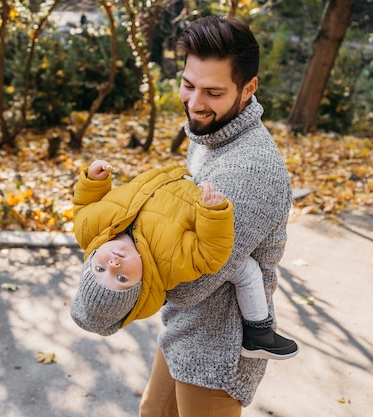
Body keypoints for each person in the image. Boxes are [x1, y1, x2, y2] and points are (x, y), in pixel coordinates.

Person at [70, 16, 296, 416]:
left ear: (249, 88)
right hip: (185, 330)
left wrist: (125, 255)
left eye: (213, 92)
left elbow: (193, 285)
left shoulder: (248, 170)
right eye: (189, 86)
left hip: (218, 349)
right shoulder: (213, 136)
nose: (194, 103)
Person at [72, 159, 298, 362]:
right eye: (121, 278)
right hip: (191, 192)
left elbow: (84, 205)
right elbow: (210, 254)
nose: (113, 265)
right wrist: (213, 214)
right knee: (248, 270)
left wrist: (94, 180)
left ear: (91, 260)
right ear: (140, 285)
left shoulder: (89, 229)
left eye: (100, 269)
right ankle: (259, 331)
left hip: (171, 176)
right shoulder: (173, 263)